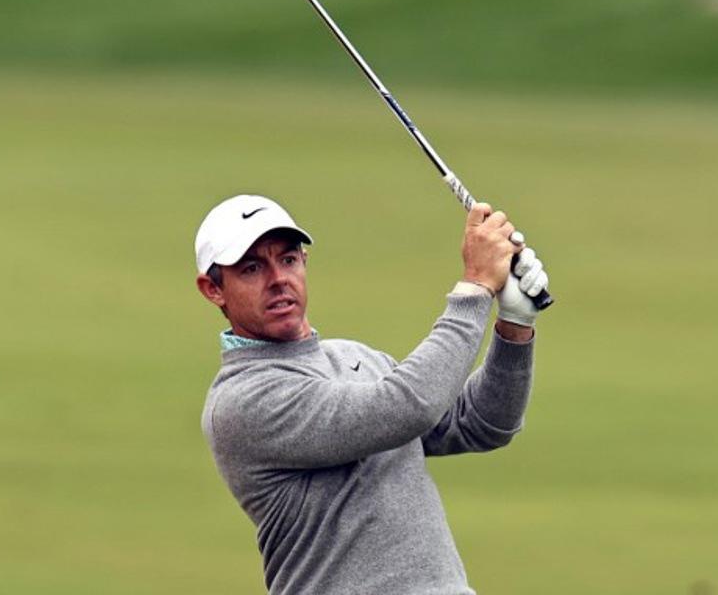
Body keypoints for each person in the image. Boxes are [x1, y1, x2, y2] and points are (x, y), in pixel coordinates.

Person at [192, 193, 548, 595]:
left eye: (288, 259)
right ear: (213, 289)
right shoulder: (243, 401)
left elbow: (481, 424)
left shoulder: (354, 358)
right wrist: (476, 288)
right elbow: (407, 406)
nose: (278, 279)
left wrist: (515, 326)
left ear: (304, 262)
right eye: (252, 268)